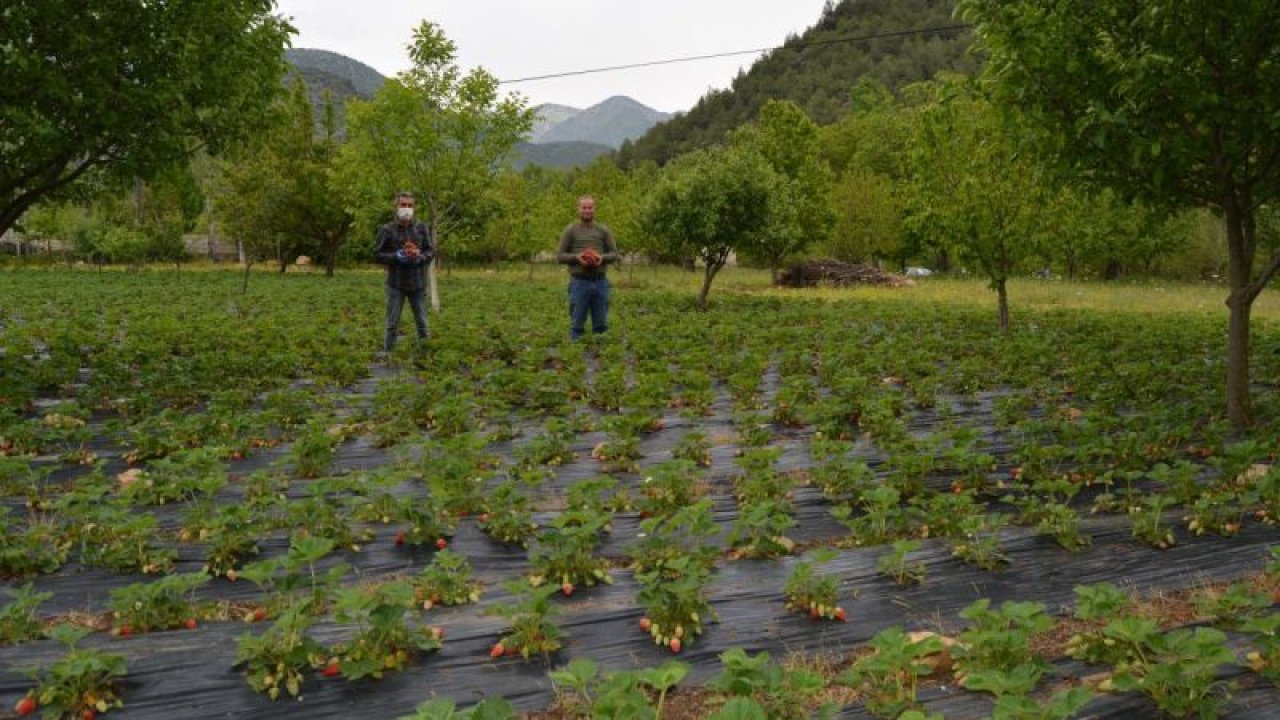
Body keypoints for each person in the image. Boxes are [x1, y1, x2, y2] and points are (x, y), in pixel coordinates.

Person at [374, 192, 435, 354]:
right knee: (392, 323)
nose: (406, 208)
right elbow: (377, 254)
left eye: (410, 205)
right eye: (403, 205)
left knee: (422, 323)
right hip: (396, 284)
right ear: (396, 206)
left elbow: (430, 251)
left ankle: (426, 354)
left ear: (414, 208)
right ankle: (389, 355)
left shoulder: (422, 228)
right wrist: (396, 256)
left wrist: (420, 257)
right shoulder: (387, 230)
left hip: (418, 284)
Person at [556, 195, 619, 340]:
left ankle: (600, 349)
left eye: (590, 207)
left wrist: (601, 258)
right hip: (579, 282)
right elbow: (560, 256)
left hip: (600, 281)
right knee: (577, 322)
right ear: (578, 209)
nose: (587, 210)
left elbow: (614, 254)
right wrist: (577, 257)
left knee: (601, 323)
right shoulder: (570, 230)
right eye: (584, 207)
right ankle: (576, 349)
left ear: (594, 209)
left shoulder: (603, 230)